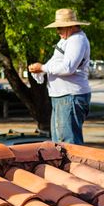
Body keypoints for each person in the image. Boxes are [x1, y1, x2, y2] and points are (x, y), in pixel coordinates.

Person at [28, 8, 92, 145]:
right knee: (59, 141)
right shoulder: (67, 40)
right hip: (64, 96)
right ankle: (67, 166)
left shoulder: (77, 40)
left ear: (71, 26)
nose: (58, 31)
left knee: (68, 142)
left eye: (60, 28)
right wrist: (40, 70)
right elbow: (56, 62)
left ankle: (73, 166)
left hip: (70, 95)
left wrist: (42, 68)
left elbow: (68, 67)